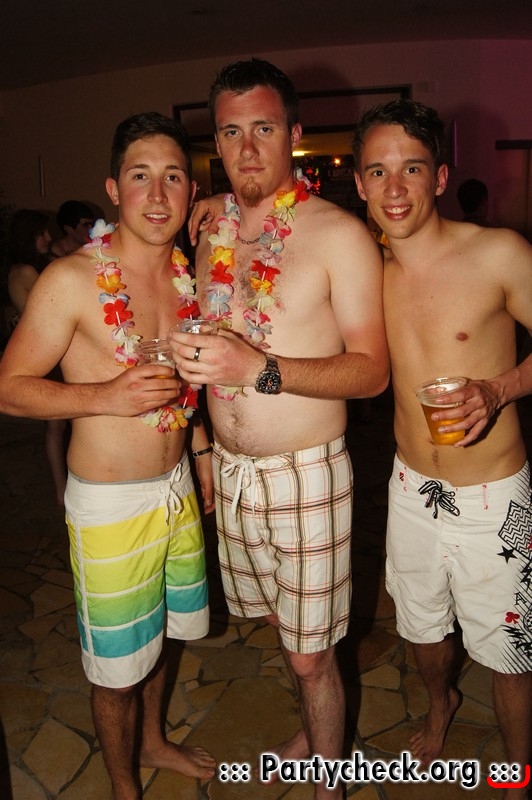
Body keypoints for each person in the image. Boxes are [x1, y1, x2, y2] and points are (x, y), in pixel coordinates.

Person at [169, 58, 389, 799]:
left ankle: (329, 785)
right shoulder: (209, 232)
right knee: (280, 629)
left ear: (294, 133)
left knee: (311, 656)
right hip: (234, 475)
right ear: (216, 142)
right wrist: (203, 447)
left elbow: (372, 372)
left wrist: (258, 367)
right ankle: (311, 735)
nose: (248, 148)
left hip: (307, 474)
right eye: (231, 132)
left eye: (264, 128)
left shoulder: (338, 235)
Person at [0, 112, 216, 798]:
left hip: (176, 488)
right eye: (140, 175)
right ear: (114, 189)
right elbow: (8, 388)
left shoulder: (189, 279)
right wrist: (104, 396)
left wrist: (200, 450)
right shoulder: (70, 279)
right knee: (117, 670)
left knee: (167, 632)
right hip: (110, 504)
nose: (157, 194)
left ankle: (153, 742)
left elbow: (187, 387)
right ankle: (124, 788)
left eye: (173, 177)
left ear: (190, 192)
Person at [352, 99, 532, 795]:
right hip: (412, 489)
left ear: (440, 177)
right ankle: (440, 705)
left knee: (511, 650)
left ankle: (519, 771)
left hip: (495, 494)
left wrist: (499, 388)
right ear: (360, 183)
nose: (394, 187)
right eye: (378, 171)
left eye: (413, 168)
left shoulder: (498, 253)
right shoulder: (368, 271)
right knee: (422, 628)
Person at [7, 208, 68, 506]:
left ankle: (63, 486)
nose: (47, 237)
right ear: (27, 237)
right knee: (56, 425)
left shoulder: (32, 268)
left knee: (59, 425)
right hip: (44, 354)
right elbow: (50, 310)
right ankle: (60, 489)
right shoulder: (25, 272)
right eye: (41, 233)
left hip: (48, 350)